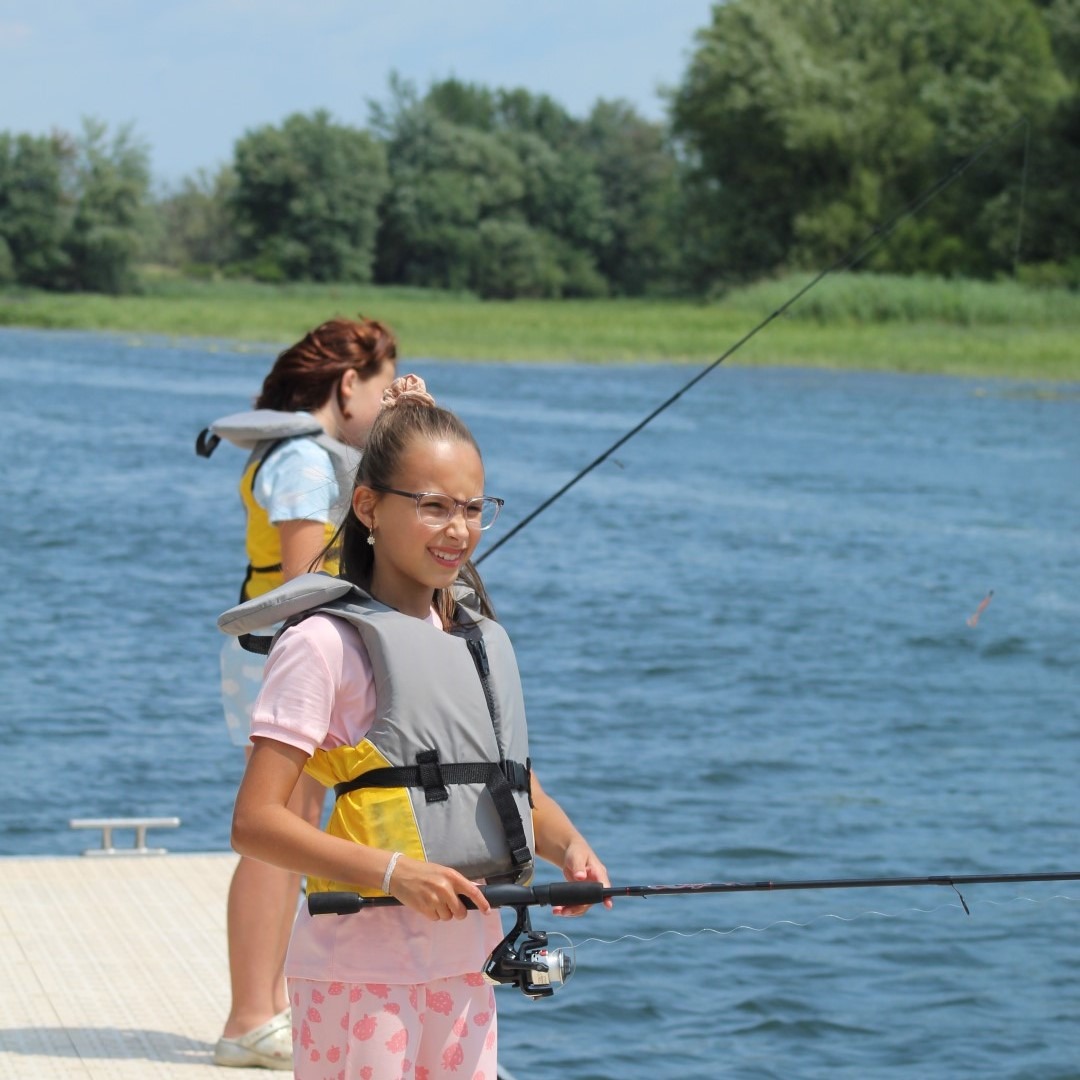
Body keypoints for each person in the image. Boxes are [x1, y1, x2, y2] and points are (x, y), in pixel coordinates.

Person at [221, 374, 610, 1079]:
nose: (458, 529)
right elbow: (253, 822)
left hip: (467, 969)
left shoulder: (470, 638)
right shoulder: (323, 644)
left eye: (471, 508)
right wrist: (393, 873)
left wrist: (570, 847)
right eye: (432, 507)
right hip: (358, 978)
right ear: (367, 506)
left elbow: (512, 786)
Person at [200, 318, 398, 1070]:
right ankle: (251, 1015)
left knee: (294, 825)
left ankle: (268, 1006)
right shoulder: (308, 465)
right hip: (288, 662)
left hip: (276, 659)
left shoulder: (305, 457)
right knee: (279, 834)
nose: (383, 404)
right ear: (348, 384)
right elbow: (303, 583)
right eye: (383, 389)